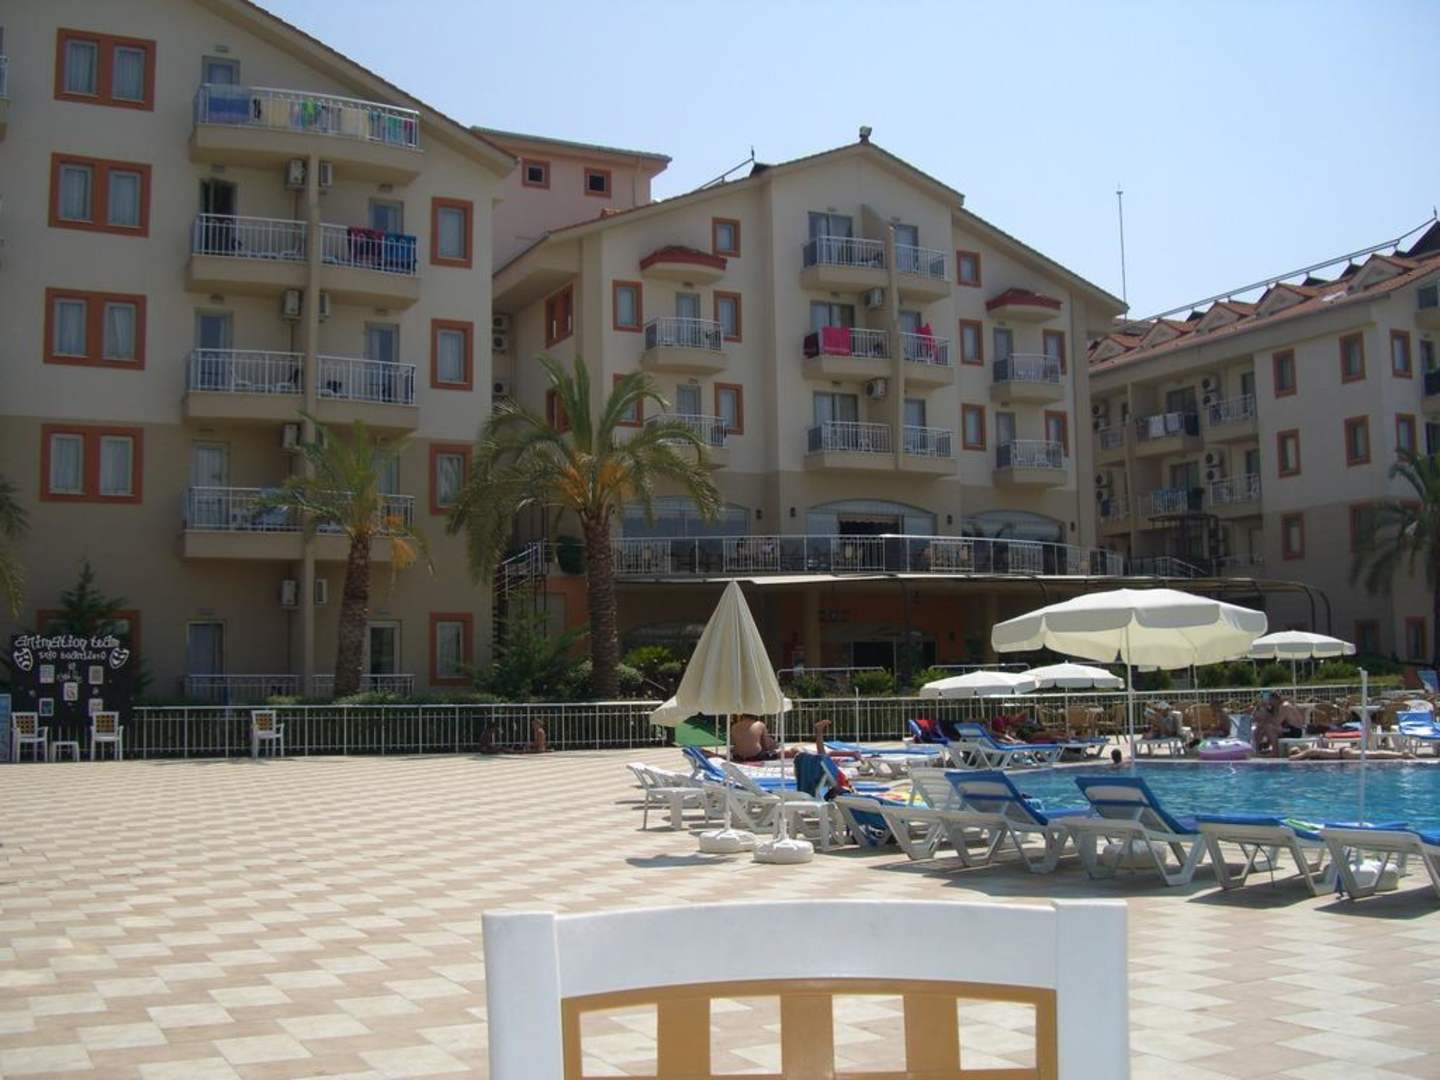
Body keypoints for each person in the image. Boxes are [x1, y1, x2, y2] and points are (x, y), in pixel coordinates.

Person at [1251, 690, 1303, 758]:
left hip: (1294, 731)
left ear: (1275, 699)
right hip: (1287, 729)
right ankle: (1256, 751)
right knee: (1260, 727)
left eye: (1270, 700)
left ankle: (1275, 752)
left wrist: (1266, 720)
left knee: (1268, 727)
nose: (1269, 701)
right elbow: (1255, 717)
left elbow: (1276, 722)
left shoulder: (1284, 706)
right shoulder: (1276, 707)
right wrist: (1262, 708)